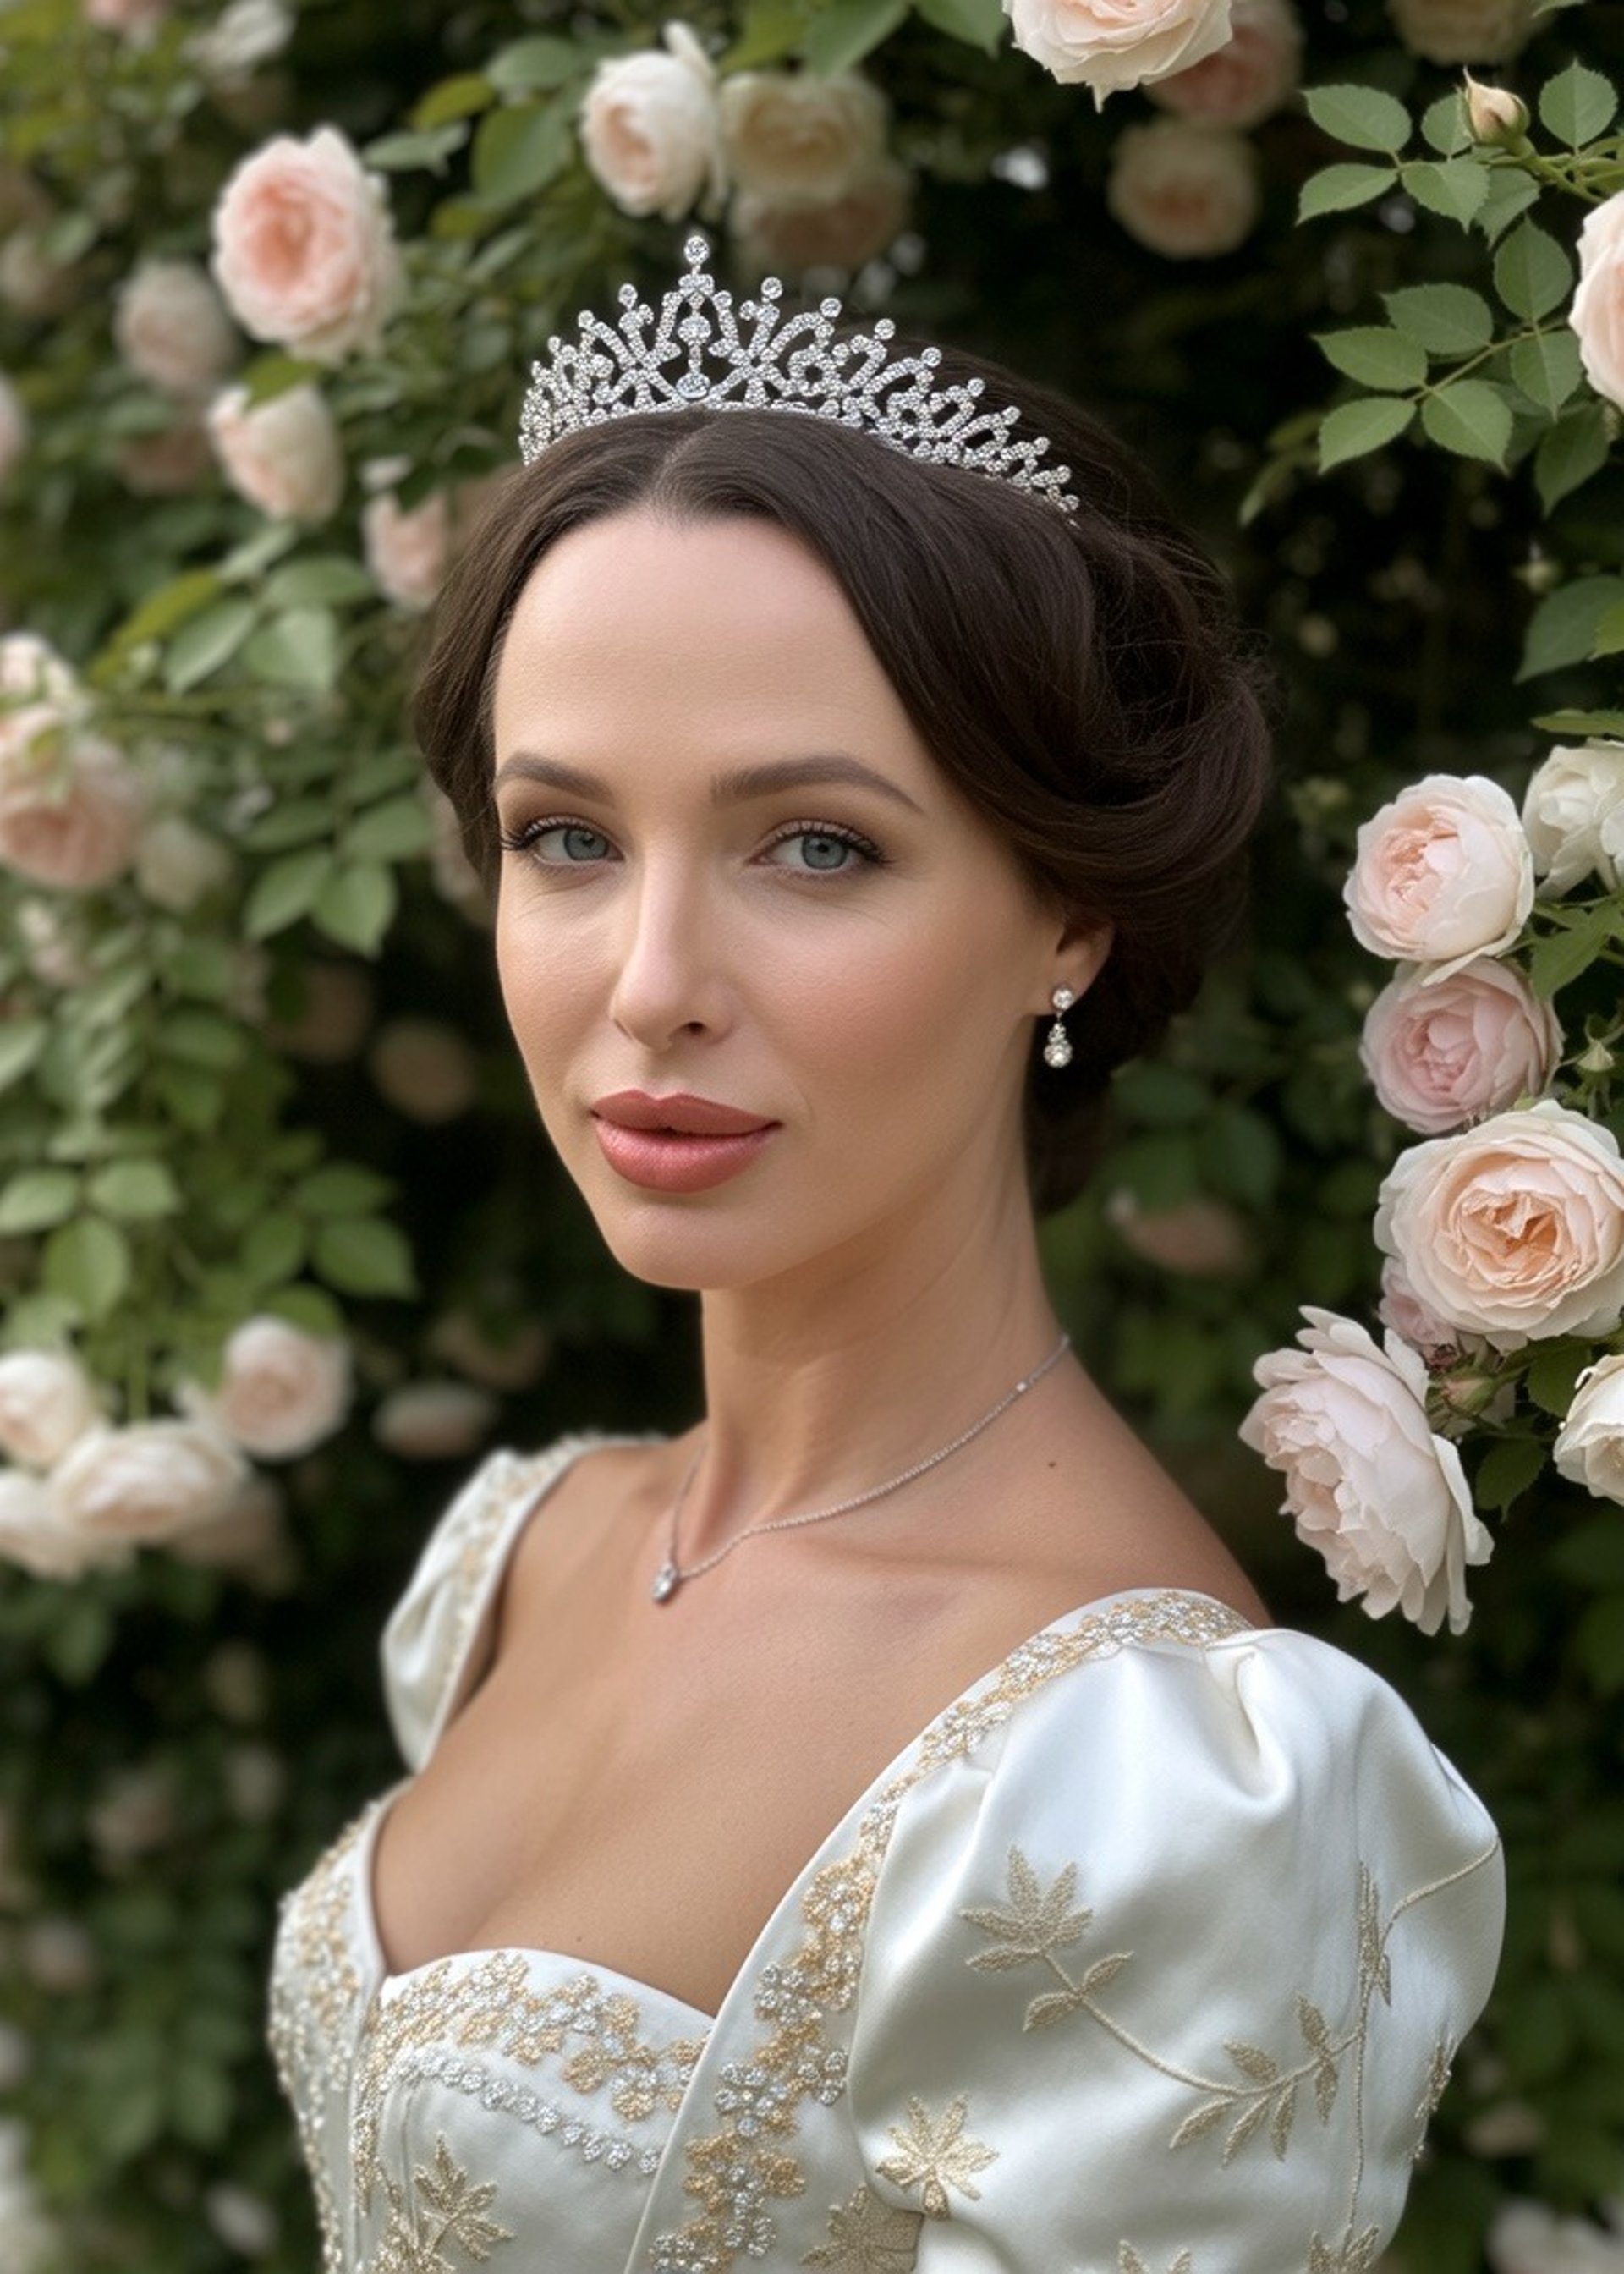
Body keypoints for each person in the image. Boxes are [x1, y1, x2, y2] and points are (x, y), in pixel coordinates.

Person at [266, 239, 1503, 2274]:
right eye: (569, 838)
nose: (649, 987)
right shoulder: (527, 1556)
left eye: (814, 846)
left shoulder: (1160, 1793)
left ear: (1066, 923)